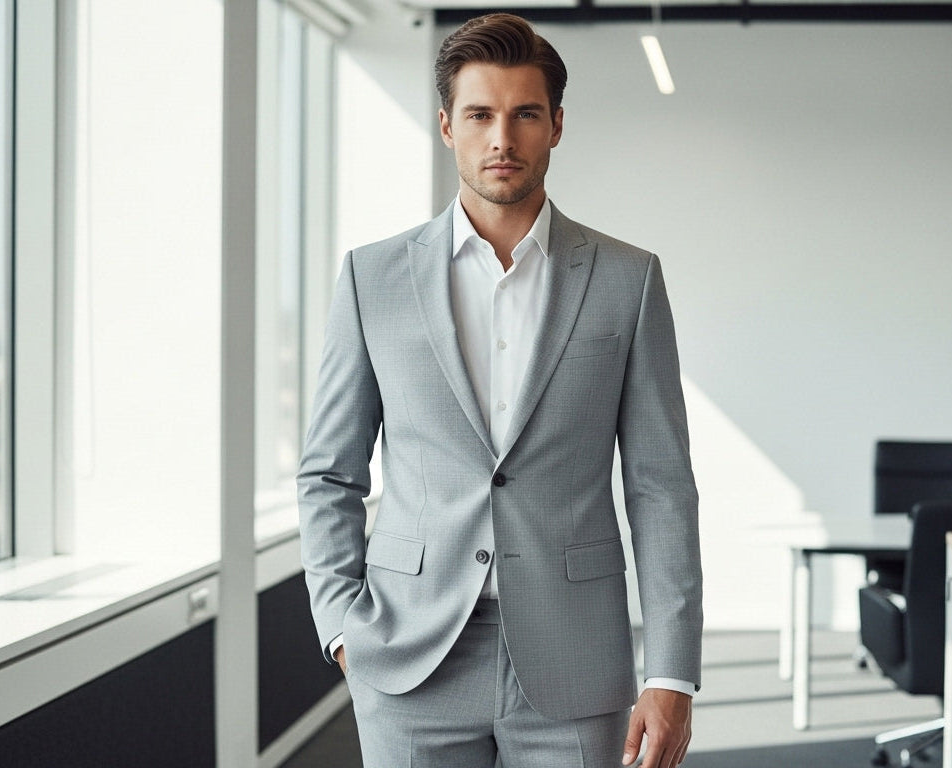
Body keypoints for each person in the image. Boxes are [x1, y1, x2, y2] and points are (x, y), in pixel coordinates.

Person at [298, 13, 701, 768]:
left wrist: (671, 672)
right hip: (409, 654)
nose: (501, 139)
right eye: (480, 114)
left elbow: (661, 486)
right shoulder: (371, 277)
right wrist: (342, 628)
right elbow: (329, 471)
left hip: (576, 656)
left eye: (524, 115)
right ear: (447, 125)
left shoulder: (627, 279)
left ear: (555, 126)